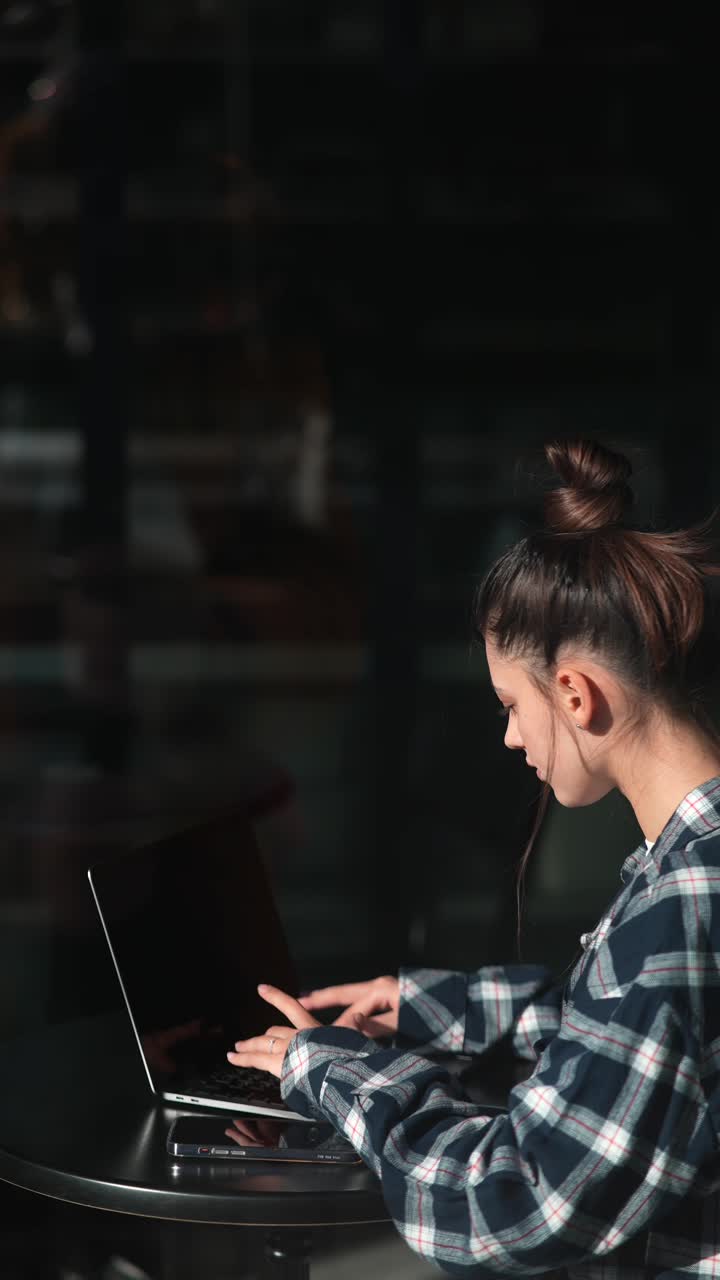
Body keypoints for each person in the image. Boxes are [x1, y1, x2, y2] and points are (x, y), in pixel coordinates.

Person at [227, 439, 720, 1278]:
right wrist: (425, 1007)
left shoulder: (686, 907)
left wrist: (335, 1072)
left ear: (574, 693)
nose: (510, 736)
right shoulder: (691, 867)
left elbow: (509, 1206)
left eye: (511, 704)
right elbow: (622, 1033)